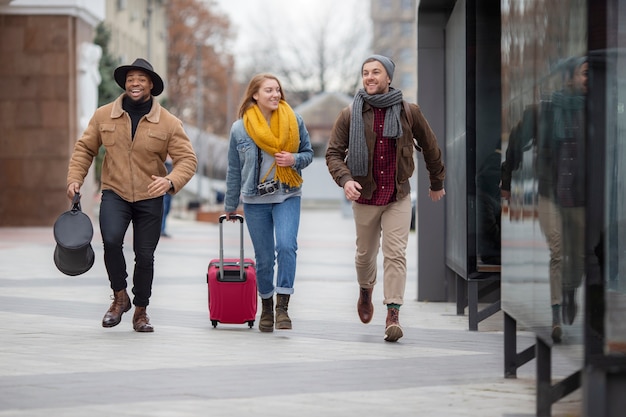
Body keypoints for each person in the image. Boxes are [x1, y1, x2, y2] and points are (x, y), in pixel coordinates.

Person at [66, 58, 197, 333]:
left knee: (145, 255)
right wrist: (75, 178)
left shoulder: (169, 123)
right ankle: (119, 297)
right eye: (130, 79)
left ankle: (141, 310)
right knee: (111, 242)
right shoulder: (104, 115)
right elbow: (84, 149)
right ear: (125, 84)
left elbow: (188, 159)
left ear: (151, 85)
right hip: (115, 192)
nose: (135, 83)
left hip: (151, 195)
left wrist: (170, 181)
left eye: (141, 79)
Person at [325, 55, 446, 342]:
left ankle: (393, 312)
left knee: (395, 254)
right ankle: (365, 290)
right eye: (365, 72)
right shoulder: (349, 114)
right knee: (365, 255)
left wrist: (436, 182)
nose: (369, 77)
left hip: (397, 195)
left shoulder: (408, 111)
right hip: (365, 196)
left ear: (388, 77)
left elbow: (430, 147)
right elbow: (333, 153)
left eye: (376, 72)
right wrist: (346, 179)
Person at [224, 73, 313, 333]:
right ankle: (266, 307)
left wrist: (293, 160)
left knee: (286, 246)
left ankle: (282, 306)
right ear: (255, 95)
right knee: (263, 259)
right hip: (255, 199)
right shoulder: (239, 128)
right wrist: (230, 204)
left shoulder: (294, 120)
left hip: (288, 194)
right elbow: (234, 169)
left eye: (277, 90)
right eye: (269, 90)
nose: (275, 94)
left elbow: (308, 153)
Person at [161, 156, 174, 237]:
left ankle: (163, 228)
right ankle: (161, 229)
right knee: (163, 209)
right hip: (162, 189)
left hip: (170, 190)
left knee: (167, 210)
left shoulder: (172, 162)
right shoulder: (163, 162)